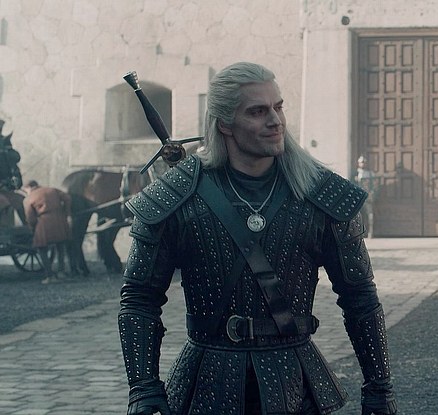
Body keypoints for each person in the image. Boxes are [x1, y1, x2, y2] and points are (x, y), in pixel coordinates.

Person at [118, 62, 397, 415]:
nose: (275, 120)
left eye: (278, 107)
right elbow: (139, 299)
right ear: (224, 124)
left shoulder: (321, 195)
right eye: (257, 111)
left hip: (295, 384)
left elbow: (360, 298)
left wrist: (379, 388)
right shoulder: (177, 196)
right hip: (207, 383)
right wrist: (143, 387)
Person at [22, 180, 71, 284]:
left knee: (41, 249)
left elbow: (30, 218)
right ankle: (61, 272)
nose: (26, 193)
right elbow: (67, 198)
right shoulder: (52, 190)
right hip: (59, 219)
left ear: (29, 188)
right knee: (60, 246)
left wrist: (33, 228)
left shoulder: (28, 199)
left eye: (26, 191)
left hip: (44, 222)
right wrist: (66, 213)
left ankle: (50, 276)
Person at [354, 155, 376, 238]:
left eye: (364, 162)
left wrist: (372, 193)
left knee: (370, 214)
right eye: (361, 162)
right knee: (357, 216)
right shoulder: (355, 173)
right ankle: (358, 233)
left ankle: (370, 232)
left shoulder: (370, 174)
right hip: (358, 198)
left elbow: (374, 185)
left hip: (367, 197)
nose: (362, 164)